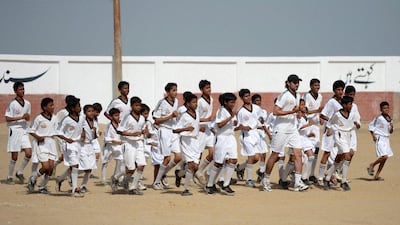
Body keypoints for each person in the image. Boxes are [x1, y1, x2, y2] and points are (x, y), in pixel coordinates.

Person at [261, 74, 308, 192]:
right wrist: (291, 112)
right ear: (288, 83)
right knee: (275, 155)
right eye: (294, 82)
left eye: (298, 82)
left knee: (298, 154)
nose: (296, 84)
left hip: (292, 129)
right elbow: (275, 111)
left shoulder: (298, 95)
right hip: (281, 129)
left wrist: (300, 111)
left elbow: (296, 109)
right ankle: (266, 179)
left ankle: (297, 182)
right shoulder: (284, 95)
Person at [205, 92, 238, 195]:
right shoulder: (221, 111)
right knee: (218, 162)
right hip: (222, 138)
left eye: (234, 102)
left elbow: (232, 124)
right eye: (231, 102)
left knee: (233, 160)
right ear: (225, 102)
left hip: (230, 137)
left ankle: (226, 184)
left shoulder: (230, 111)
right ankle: (210, 185)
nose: (233, 104)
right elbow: (219, 124)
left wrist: (235, 123)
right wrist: (230, 118)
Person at [152, 83, 182, 190]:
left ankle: (163, 173)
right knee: (167, 158)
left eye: (176, 90)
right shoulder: (162, 103)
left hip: (173, 131)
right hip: (164, 131)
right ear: (168, 92)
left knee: (178, 157)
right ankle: (156, 182)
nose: (175, 92)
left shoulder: (176, 101)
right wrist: (170, 116)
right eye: (173, 90)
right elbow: (156, 120)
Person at [322, 96, 355, 191]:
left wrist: (355, 125)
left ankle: (327, 178)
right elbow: (329, 122)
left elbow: (350, 125)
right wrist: (329, 130)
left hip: (347, 137)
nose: (351, 106)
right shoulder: (337, 114)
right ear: (344, 105)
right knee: (347, 156)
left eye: (351, 104)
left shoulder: (351, 114)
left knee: (338, 158)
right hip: (339, 136)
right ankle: (344, 181)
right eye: (349, 104)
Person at [317, 80, 345, 185]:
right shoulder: (331, 102)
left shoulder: (342, 101)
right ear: (334, 90)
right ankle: (320, 177)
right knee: (327, 153)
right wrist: (331, 122)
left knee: (341, 152)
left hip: (339, 131)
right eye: (338, 89)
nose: (340, 91)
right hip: (330, 130)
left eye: (342, 89)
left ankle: (330, 173)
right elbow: (322, 115)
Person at [27, 97, 58, 194]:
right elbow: (30, 130)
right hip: (42, 144)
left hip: (51, 143)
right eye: (50, 105)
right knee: (45, 167)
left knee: (51, 168)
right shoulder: (39, 118)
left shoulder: (55, 117)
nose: (53, 107)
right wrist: (38, 137)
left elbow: (58, 130)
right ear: (44, 107)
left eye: (53, 105)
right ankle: (33, 178)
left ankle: (42, 187)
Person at [117, 97, 147, 195]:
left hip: (138, 143)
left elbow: (141, 129)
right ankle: (117, 178)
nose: (138, 107)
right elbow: (120, 131)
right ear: (132, 106)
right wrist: (131, 134)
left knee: (141, 165)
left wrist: (144, 132)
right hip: (128, 143)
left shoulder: (142, 118)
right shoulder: (127, 117)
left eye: (139, 105)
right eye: (136, 105)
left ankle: (133, 187)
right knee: (131, 168)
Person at [56, 96, 85, 197]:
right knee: (75, 165)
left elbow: (83, 126)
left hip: (78, 144)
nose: (80, 108)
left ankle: (60, 179)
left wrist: (83, 134)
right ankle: (75, 190)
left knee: (74, 167)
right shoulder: (66, 119)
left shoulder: (81, 117)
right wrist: (66, 139)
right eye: (78, 106)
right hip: (69, 145)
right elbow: (57, 131)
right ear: (72, 108)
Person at [5, 82, 32, 184]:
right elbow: (7, 118)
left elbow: (28, 117)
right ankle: (9, 177)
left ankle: (19, 172)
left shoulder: (28, 103)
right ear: (15, 91)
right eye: (20, 89)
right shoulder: (12, 104)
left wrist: (26, 117)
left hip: (24, 130)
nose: (23, 91)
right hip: (14, 130)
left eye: (23, 89)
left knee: (29, 153)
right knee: (14, 156)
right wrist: (21, 117)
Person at [173, 92, 200, 196]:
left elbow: (196, 123)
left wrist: (199, 128)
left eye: (196, 102)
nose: (195, 104)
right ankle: (185, 189)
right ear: (188, 104)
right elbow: (175, 130)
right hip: (186, 141)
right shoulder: (184, 116)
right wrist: (186, 129)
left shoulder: (197, 113)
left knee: (196, 167)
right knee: (191, 165)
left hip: (195, 141)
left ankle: (179, 174)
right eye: (193, 102)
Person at [235, 89, 263, 188]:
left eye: (249, 95)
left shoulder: (256, 108)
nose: (248, 98)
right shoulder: (240, 111)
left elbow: (260, 116)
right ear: (242, 98)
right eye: (246, 96)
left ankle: (240, 168)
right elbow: (237, 126)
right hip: (246, 136)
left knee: (256, 158)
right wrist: (242, 127)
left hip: (255, 135)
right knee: (251, 157)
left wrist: (261, 120)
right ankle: (249, 179)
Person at [194, 80, 216, 185]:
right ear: (201, 89)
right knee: (198, 155)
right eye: (207, 88)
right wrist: (201, 124)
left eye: (210, 87)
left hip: (208, 130)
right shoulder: (199, 102)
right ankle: (192, 173)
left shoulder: (211, 99)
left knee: (213, 153)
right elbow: (195, 117)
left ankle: (199, 171)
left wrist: (211, 125)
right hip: (200, 130)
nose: (209, 89)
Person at [367, 101, 394, 180]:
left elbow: (391, 132)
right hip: (380, 138)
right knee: (384, 156)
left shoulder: (390, 119)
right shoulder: (378, 118)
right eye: (384, 108)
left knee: (385, 158)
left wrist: (392, 127)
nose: (386, 109)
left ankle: (377, 175)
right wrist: (373, 135)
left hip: (386, 139)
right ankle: (372, 165)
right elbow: (371, 126)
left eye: (387, 108)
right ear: (381, 109)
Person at [303, 78, 323, 183]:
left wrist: (320, 118)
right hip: (307, 125)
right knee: (308, 151)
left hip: (316, 126)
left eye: (318, 85)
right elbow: (304, 111)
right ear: (311, 86)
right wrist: (316, 111)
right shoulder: (306, 96)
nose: (317, 87)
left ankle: (311, 174)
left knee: (316, 150)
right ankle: (304, 176)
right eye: (315, 85)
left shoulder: (320, 96)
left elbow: (318, 110)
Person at [78, 104, 98, 193]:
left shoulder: (95, 122)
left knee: (90, 168)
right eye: (89, 111)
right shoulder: (82, 121)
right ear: (85, 113)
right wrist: (82, 133)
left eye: (92, 111)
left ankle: (83, 186)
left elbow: (94, 137)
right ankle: (70, 175)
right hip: (82, 146)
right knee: (85, 167)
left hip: (90, 145)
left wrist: (95, 132)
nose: (91, 113)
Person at [102, 108, 123, 192]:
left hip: (118, 147)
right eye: (115, 115)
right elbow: (106, 138)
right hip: (109, 147)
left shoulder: (120, 125)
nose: (117, 117)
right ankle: (103, 179)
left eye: (118, 115)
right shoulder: (109, 126)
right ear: (111, 116)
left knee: (120, 162)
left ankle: (115, 178)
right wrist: (114, 141)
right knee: (105, 163)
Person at [251, 94, 270, 183]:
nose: (258, 102)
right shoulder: (251, 111)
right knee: (255, 158)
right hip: (254, 133)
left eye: (259, 100)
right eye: (256, 101)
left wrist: (268, 133)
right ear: (253, 101)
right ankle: (240, 167)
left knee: (263, 154)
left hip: (262, 134)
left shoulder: (264, 112)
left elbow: (265, 123)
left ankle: (261, 173)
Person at [91, 102, 103, 179]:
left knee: (97, 154)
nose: (98, 114)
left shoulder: (96, 118)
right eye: (97, 112)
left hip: (94, 139)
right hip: (88, 140)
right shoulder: (87, 118)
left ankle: (90, 172)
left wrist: (98, 132)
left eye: (99, 112)